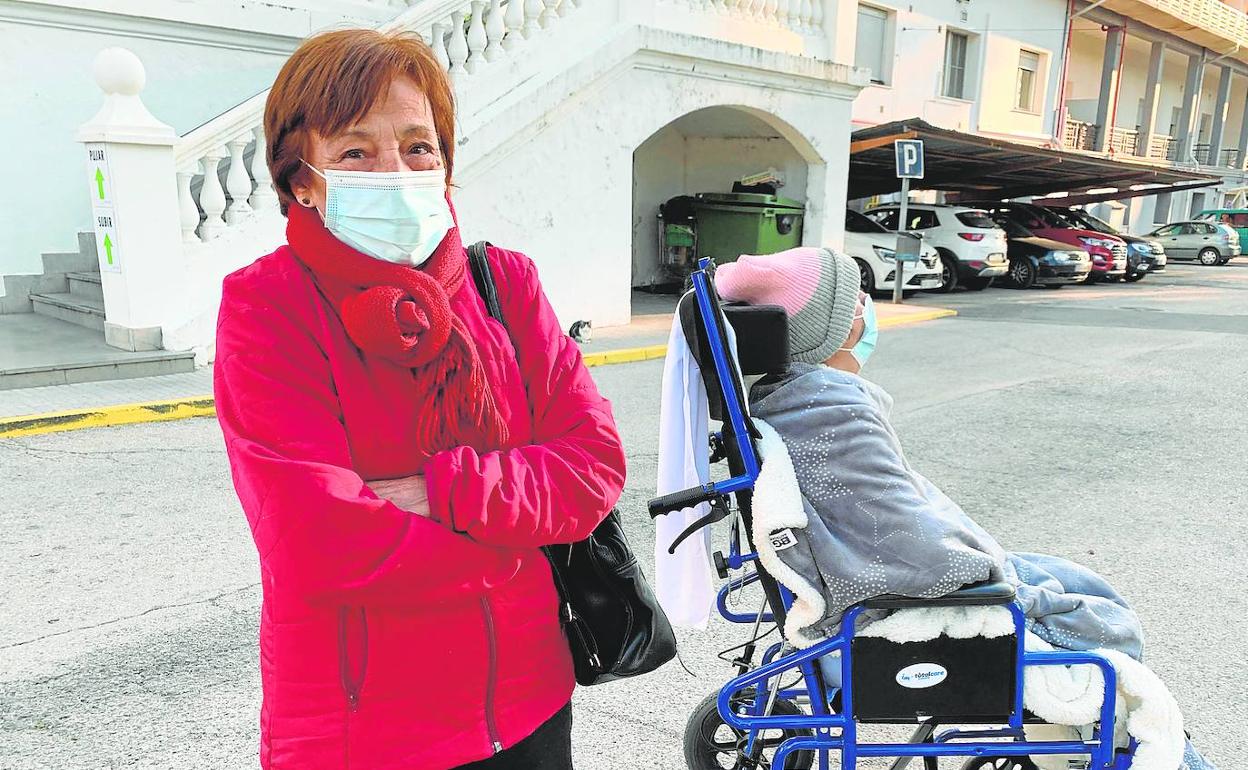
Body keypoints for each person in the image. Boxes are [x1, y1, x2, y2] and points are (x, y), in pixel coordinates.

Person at [213, 29, 627, 770]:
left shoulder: (506, 285)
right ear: (301, 178)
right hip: (363, 735)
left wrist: (444, 491)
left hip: (531, 705)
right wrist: (509, 546)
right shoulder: (268, 306)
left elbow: (591, 466)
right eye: (354, 152)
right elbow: (319, 539)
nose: (395, 171)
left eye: (417, 146)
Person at [712, 246, 1216, 769]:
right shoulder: (830, 411)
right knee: (1091, 623)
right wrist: (990, 574)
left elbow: (887, 520)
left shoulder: (797, 399)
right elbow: (912, 545)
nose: (868, 309)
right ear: (828, 331)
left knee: (1072, 580)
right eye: (858, 304)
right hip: (896, 606)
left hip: (880, 581)